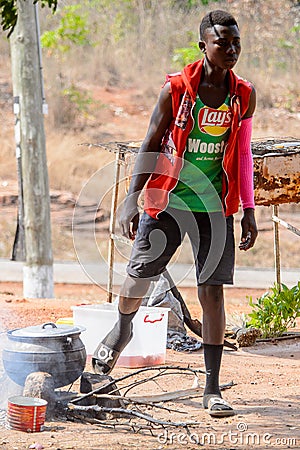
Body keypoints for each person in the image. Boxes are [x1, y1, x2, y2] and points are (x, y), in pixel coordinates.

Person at [93, 9, 258, 418]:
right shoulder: (177, 90)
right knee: (137, 278)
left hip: (214, 205)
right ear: (204, 45)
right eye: (223, 43)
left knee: (212, 292)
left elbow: (242, 154)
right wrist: (132, 197)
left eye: (237, 42)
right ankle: (123, 327)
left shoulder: (243, 95)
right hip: (167, 198)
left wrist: (249, 210)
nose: (232, 49)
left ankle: (212, 387)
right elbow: (151, 140)